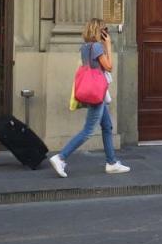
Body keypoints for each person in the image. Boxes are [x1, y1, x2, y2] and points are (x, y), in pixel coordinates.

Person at [49, 18, 130, 178]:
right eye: (103, 30)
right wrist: (109, 46)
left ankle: (111, 163)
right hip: (96, 93)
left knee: (107, 126)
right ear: (98, 31)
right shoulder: (97, 46)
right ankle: (60, 157)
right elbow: (109, 67)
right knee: (87, 131)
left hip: (92, 90)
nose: (105, 33)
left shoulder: (85, 47)